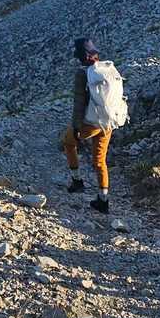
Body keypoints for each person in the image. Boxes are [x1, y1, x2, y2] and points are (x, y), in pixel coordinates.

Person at [62, 36, 113, 214]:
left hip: (91, 122)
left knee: (68, 143)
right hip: (108, 122)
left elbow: (79, 103)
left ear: (81, 56)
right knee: (100, 160)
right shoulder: (107, 68)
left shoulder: (83, 74)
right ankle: (103, 200)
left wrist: (77, 127)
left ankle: (77, 181)